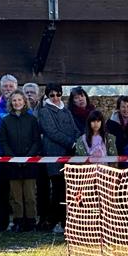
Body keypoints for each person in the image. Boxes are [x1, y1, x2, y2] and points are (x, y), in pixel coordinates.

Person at [38, 83, 79, 234]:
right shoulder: (44, 112)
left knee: (67, 190)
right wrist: (71, 142)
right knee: (57, 190)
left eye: (58, 94)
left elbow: (75, 129)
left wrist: (77, 141)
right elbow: (51, 131)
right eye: (52, 95)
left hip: (70, 155)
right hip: (54, 155)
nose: (55, 98)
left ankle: (66, 221)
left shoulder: (66, 111)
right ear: (47, 96)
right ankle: (54, 220)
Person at [0, 91, 41, 231]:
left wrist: (28, 157)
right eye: (14, 100)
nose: (17, 103)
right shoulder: (6, 121)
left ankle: (31, 221)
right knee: (15, 196)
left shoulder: (32, 120)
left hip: (29, 164)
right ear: (11, 103)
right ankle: (18, 221)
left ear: (24, 101)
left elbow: (36, 141)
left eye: (19, 100)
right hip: (13, 164)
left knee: (30, 196)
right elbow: (3, 142)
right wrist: (13, 158)